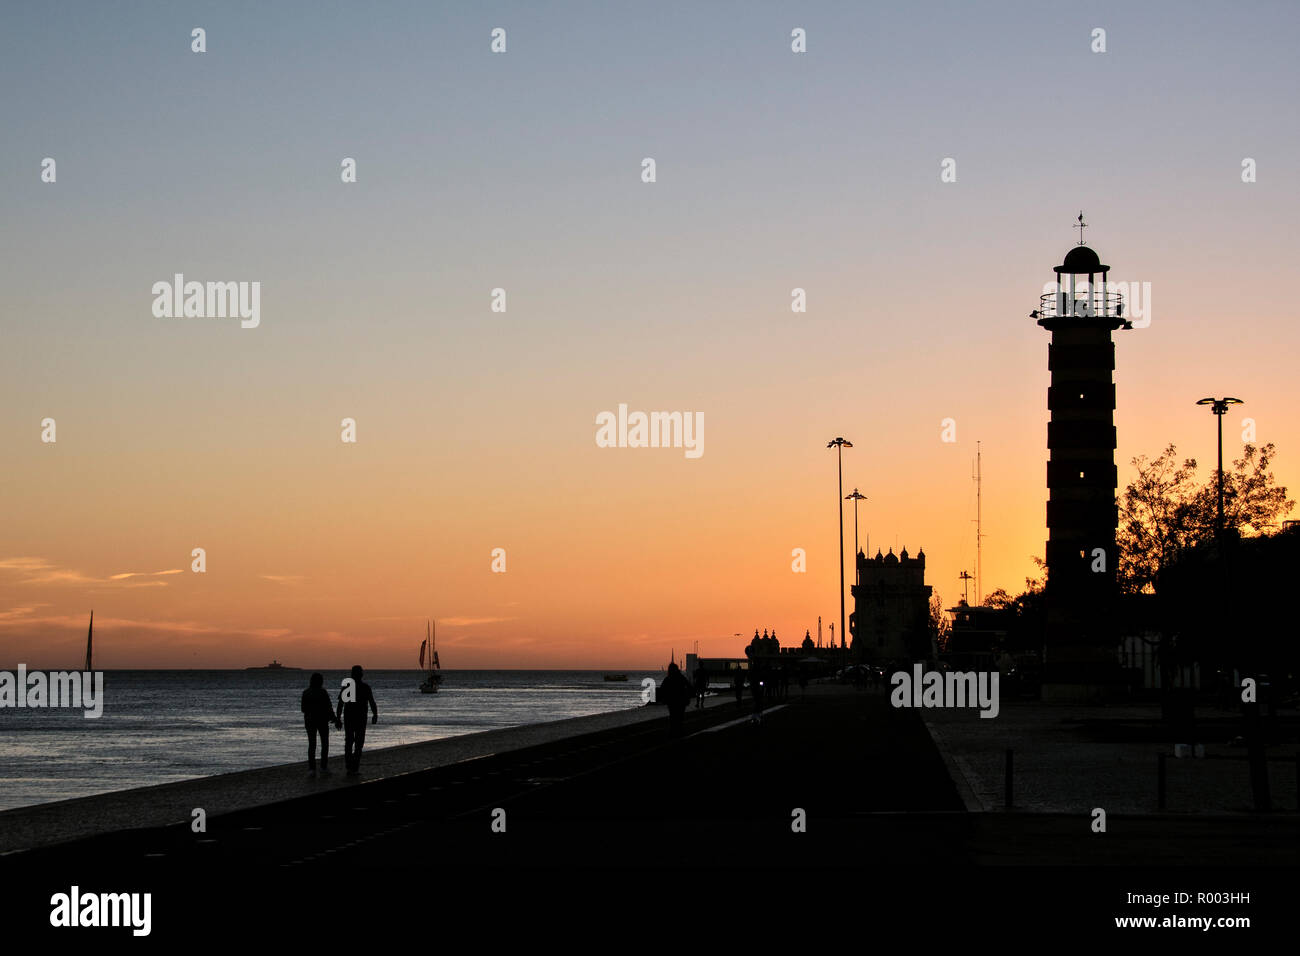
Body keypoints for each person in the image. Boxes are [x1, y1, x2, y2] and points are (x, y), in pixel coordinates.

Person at [336, 664, 378, 776]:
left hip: (352, 718)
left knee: (351, 742)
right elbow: (371, 702)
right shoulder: (363, 687)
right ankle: (353, 767)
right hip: (358, 718)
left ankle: (351, 766)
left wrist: (338, 718)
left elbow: (340, 704)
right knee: (357, 743)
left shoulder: (349, 687)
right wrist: (375, 714)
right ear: (361, 674)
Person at [301, 672, 339, 775]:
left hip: (309, 721)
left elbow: (303, 709)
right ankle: (323, 767)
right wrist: (334, 718)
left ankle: (312, 769)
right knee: (324, 744)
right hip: (322, 720)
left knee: (312, 744)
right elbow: (329, 707)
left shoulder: (306, 692)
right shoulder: (323, 692)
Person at [659, 662, 692, 738]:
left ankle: (673, 731)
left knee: (673, 716)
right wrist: (688, 696)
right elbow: (689, 686)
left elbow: (662, 689)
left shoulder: (668, 678)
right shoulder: (681, 677)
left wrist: (663, 698)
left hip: (671, 700)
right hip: (681, 700)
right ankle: (679, 730)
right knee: (680, 716)